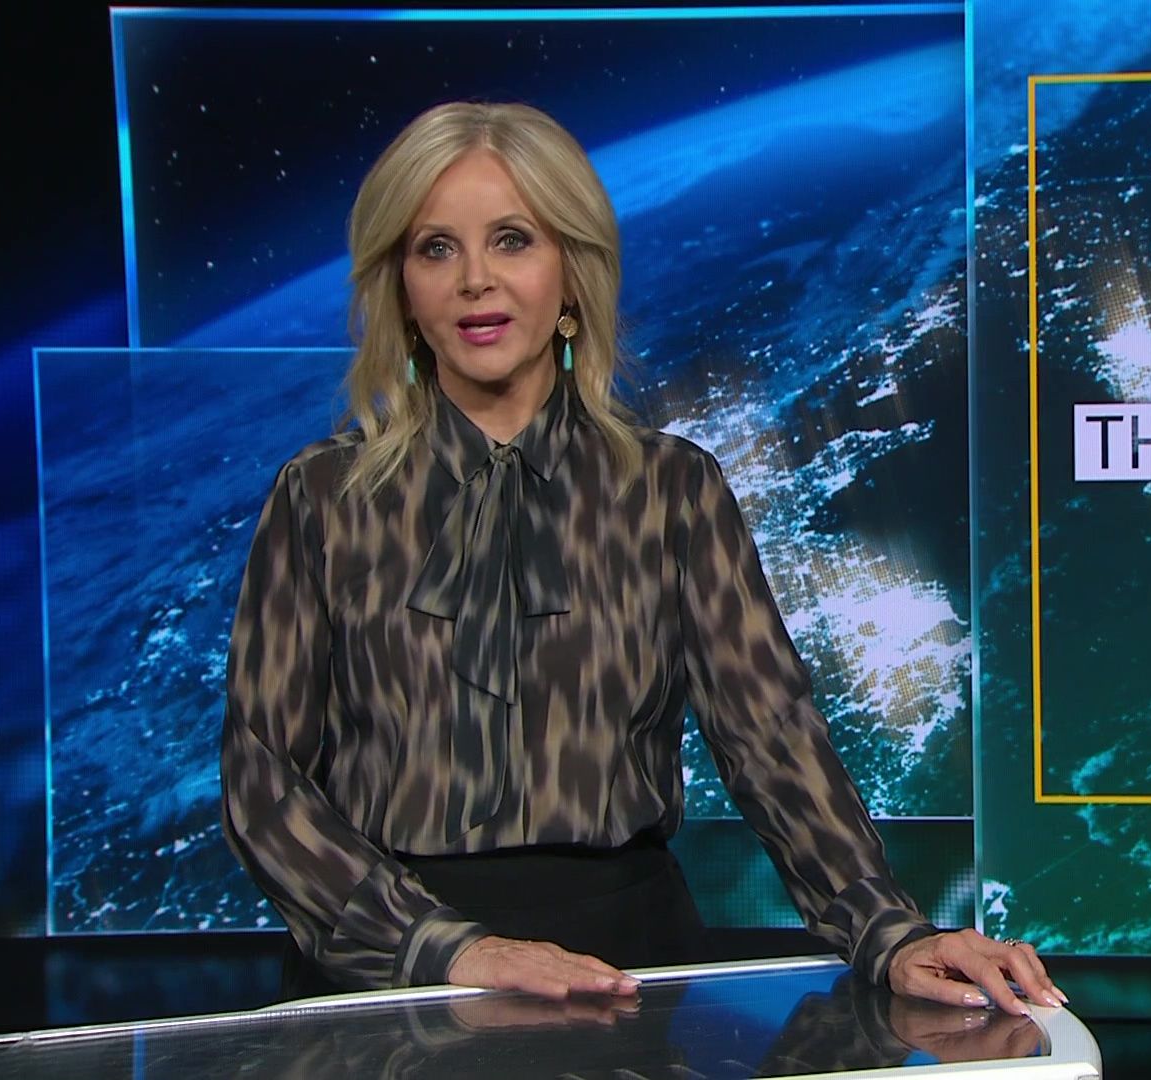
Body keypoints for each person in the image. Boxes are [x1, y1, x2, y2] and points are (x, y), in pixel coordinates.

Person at [218, 100, 1063, 1015]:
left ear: (572, 274)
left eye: (512, 240)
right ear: (401, 288)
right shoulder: (321, 498)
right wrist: (445, 948)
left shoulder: (672, 488)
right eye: (436, 249)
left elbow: (771, 737)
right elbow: (263, 781)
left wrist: (889, 932)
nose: (474, 280)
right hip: (386, 979)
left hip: (624, 967)